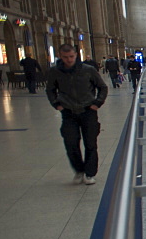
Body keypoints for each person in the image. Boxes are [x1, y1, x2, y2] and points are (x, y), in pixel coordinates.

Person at [46, 44, 109, 185]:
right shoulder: (55, 72)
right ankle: (79, 170)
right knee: (71, 142)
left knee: (90, 143)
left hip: (88, 111)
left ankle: (90, 173)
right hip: (68, 112)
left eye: (71, 57)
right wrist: (57, 104)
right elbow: (50, 89)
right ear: (60, 56)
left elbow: (102, 87)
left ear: (76, 55)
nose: (69, 60)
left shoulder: (88, 70)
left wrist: (97, 103)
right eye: (65, 57)